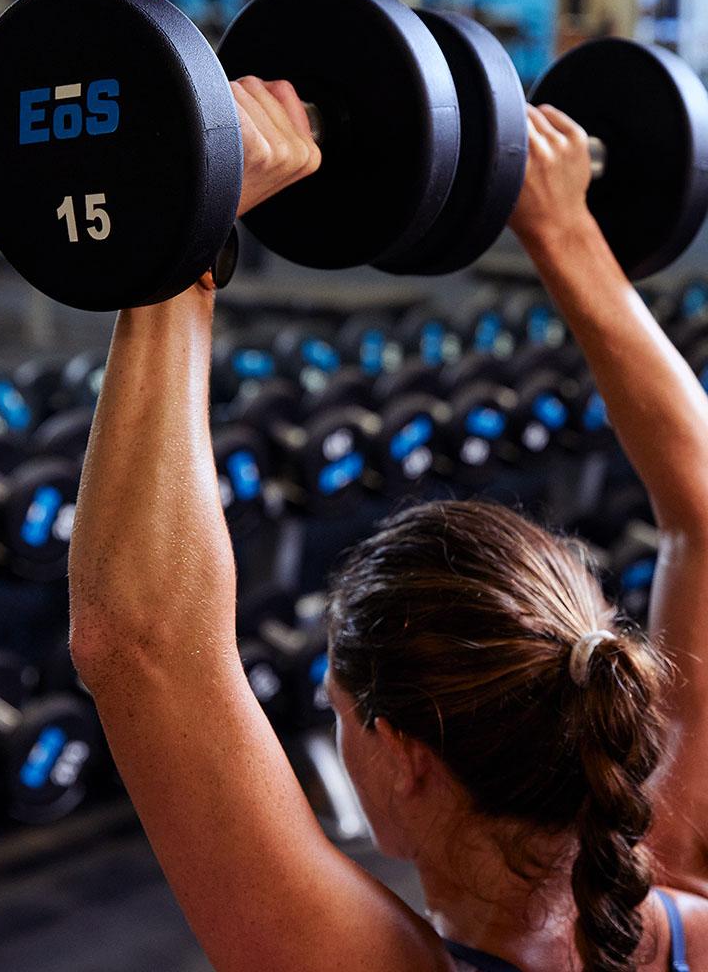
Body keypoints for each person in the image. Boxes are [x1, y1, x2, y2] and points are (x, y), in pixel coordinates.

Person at [68, 76, 708, 971]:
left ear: (406, 760)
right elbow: (703, 516)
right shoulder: (680, 893)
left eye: (339, 711)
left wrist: (185, 229)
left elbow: (141, 642)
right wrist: (563, 230)